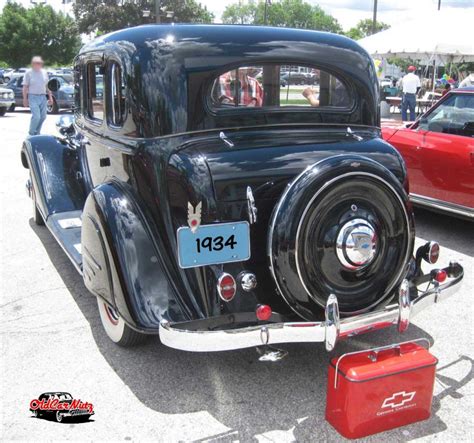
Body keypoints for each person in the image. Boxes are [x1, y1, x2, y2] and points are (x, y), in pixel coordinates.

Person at [23, 56, 53, 136]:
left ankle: (37, 132)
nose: (38, 64)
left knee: (43, 116)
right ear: (33, 64)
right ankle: (31, 133)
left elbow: (47, 86)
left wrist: (50, 97)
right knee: (36, 116)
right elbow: (25, 87)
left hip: (43, 97)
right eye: (36, 63)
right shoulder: (28, 73)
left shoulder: (44, 72)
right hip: (32, 96)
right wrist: (25, 99)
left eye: (39, 63)